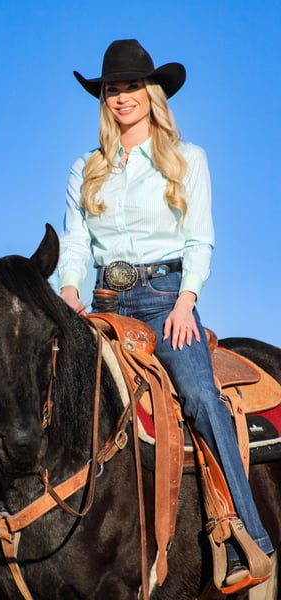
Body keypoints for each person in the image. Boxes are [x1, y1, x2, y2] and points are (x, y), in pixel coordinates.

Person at [57, 39, 273, 589]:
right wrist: (68, 290)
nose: (121, 96)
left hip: (165, 300)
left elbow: (199, 240)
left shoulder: (187, 159)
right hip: (103, 303)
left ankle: (247, 536)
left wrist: (185, 302)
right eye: (112, 89)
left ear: (152, 94)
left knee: (200, 396)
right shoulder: (86, 168)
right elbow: (75, 242)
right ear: (103, 99)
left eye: (131, 86)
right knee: (47, 388)